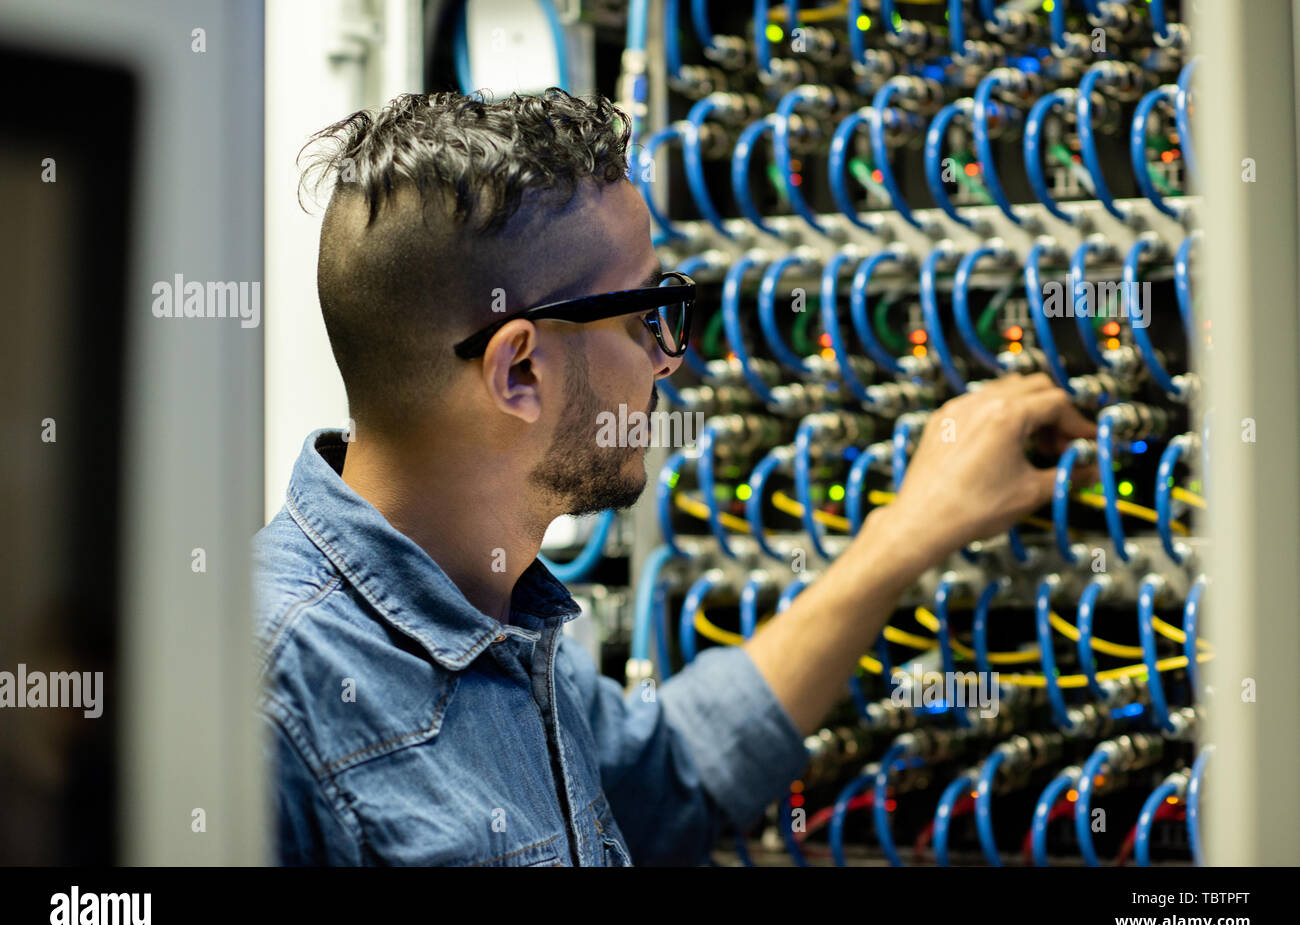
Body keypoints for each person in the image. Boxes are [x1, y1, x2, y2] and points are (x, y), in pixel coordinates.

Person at [253, 88, 1096, 866]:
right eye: (645, 317)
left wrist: (912, 532)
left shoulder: (501, 628)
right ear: (519, 372)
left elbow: (674, 774)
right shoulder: (266, 703)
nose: (669, 360)